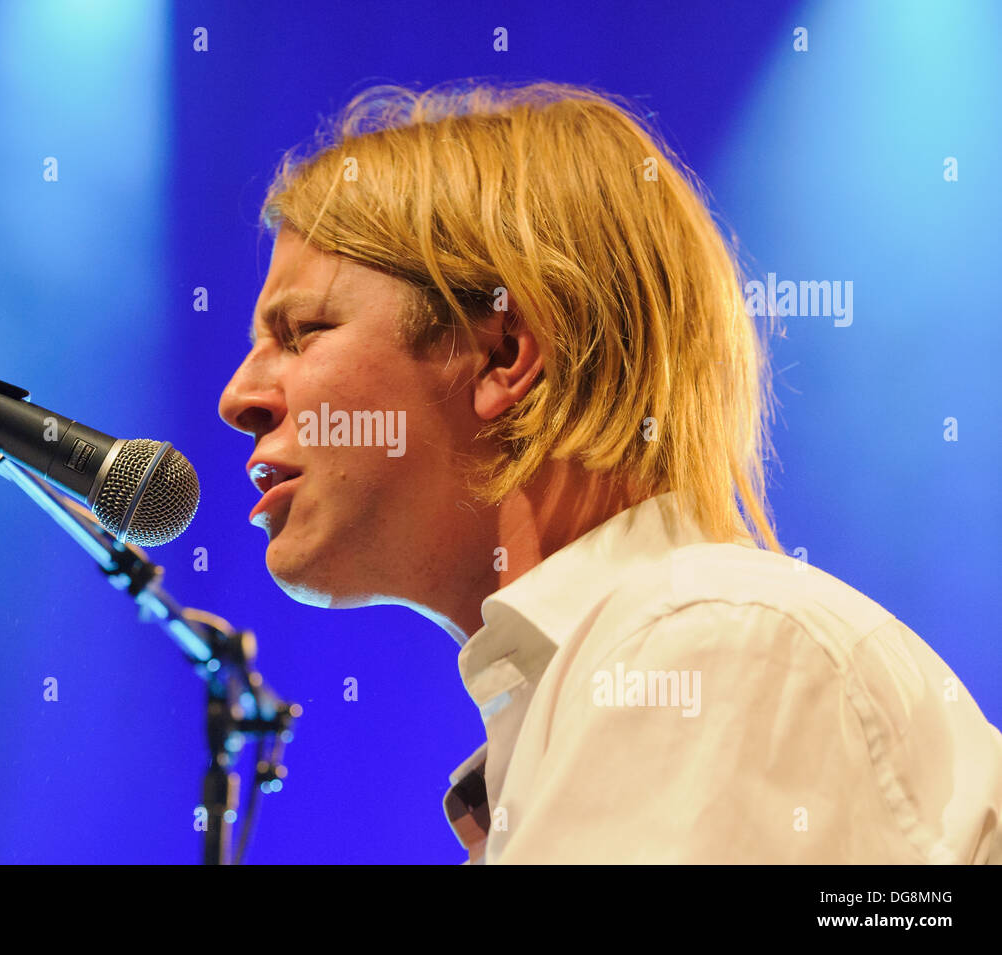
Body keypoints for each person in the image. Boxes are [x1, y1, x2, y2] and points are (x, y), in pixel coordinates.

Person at [216, 80, 1002, 863]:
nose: (237, 397)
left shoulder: (708, 643)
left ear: (503, 354)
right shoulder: (628, 671)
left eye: (302, 331)